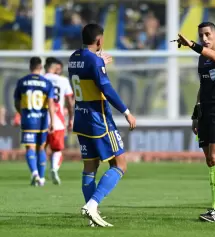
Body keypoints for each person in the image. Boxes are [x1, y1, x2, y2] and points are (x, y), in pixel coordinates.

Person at [68, 23, 136, 227]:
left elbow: (88, 71)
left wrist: (98, 61)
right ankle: (92, 205)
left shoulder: (74, 58)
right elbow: (106, 88)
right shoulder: (94, 61)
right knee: (120, 164)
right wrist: (126, 111)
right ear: (99, 40)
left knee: (90, 166)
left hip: (80, 118)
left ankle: (91, 214)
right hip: (99, 120)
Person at [176, 22, 215, 222]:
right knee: (209, 159)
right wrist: (195, 112)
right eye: (201, 35)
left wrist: (193, 45)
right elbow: (203, 86)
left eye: (208, 34)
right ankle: (214, 207)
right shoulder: (202, 59)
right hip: (205, 111)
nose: (205, 38)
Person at [13, 57, 55, 186]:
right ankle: (41, 178)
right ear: (41, 67)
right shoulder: (47, 82)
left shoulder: (22, 82)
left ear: (30, 66)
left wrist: (22, 113)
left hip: (28, 119)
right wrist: (52, 121)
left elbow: (16, 102)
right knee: (41, 148)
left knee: (30, 148)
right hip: (42, 120)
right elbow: (51, 103)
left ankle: (35, 173)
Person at [44, 57, 74, 185]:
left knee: (41, 148)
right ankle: (54, 168)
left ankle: (38, 174)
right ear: (56, 67)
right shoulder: (63, 80)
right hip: (58, 120)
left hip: (42, 119)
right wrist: (71, 118)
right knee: (57, 150)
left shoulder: (41, 79)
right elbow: (70, 102)